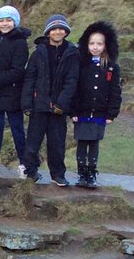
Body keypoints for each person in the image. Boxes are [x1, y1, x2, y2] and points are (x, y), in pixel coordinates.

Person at [21, 13, 80, 187]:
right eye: (53, 29)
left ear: (66, 32)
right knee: (33, 141)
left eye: (61, 28)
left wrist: (62, 103)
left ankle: (58, 174)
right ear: (48, 32)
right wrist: (26, 103)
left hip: (59, 108)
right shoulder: (38, 53)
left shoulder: (72, 53)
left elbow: (72, 80)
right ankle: (30, 171)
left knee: (57, 143)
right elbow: (30, 79)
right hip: (39, 106)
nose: (57, 32)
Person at [72, 20, 122, 189]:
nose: (95, 47)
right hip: (82, 111)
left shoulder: (112, 67)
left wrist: (111, 113)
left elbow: (116, 91)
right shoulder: (80, 64)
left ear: (106, 45)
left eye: (99, 43)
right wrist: (73, 110)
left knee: (94, 143)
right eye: (92, 43)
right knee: (81, 142)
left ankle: (92, 173)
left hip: (100, 113)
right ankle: (81, 174)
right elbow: (74, 88)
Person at [0, 4, 30, 173]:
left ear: (15, 22)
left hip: (13, 92)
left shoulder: (20, 42)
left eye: (9, 20)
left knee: (17, 128)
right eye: (1, 20)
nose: (5, 24)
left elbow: (17, 71)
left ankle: (24, 163)